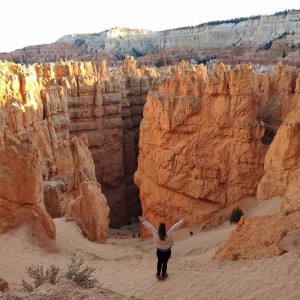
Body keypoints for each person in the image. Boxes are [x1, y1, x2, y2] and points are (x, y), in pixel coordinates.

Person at [138, 216, 184, 281]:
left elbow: (150, 228)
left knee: (159, 262)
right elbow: (175, 227)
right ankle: (163, 275)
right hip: (167, 252)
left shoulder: (156, 234)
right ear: (165, 228)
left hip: (159, 251)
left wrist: (144, 221)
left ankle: (158, 275)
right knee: (165, 263)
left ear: (159, 228)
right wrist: (182, 220)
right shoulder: (169, 234)